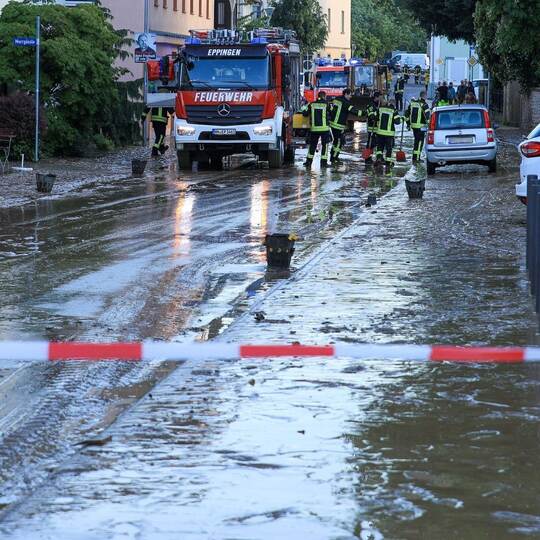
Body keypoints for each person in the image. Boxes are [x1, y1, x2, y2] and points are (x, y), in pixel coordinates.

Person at [329, 88, 361, 163]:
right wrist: (365, 113)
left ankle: (333, 156)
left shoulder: (336, 99)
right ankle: (334, 158)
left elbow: (331, 109)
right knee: (339, 142)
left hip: (333, 123)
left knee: (336, 141)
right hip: (338, 125)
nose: (351, 97)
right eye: (350, 95)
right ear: (346, 94)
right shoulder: (346, 103)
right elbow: (354, 111)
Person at [303, 90, 331, 168]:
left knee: (312, 146)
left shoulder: (311, 104)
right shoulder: (327, 104)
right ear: (324, 96)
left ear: (318, 96)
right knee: (325, 146)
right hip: (324, 129)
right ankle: (323, 164)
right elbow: (332, 113)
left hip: (314, 129)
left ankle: (308, 162)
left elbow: (304, 113)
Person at [375, 98, 401, 169]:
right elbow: (398, 122)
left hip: (380, 132)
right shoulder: (394, 111)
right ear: (394, 104)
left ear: (389, 103)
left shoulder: (380, 109)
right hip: (389, 134)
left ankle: (379, 158)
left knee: (380, 147)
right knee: (389, 148)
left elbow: (375, 118)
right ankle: (388, 162)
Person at [405, 91, 430, 163]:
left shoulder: (412, 103)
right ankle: (417, 158)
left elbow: (406, 114)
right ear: (424, 96)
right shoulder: (425, 105)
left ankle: (414, 157)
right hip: (421, 126)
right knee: (420, 142)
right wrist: (429, 125)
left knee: (416, 141)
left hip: (413, 126)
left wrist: (408, 124)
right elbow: (427, 117)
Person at [365, 91, 381, 160]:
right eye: (380, 97)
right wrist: (376, 117)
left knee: (378, 143)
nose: (381, 99)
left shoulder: (379, 105)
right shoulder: (370, 105)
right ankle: (368, 157)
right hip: (372, 127)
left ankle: (378, 157)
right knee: (371, 143)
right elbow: (371, 115)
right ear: (376, 97)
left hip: (378, 128)